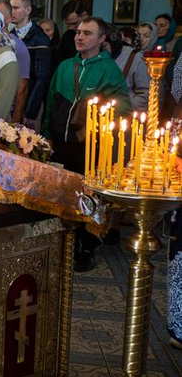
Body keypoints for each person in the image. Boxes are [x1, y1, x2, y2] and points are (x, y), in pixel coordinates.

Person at [42, 17, 130, 271]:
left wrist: (98, 112)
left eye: (88, 33)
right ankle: (66, 243)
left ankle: (88, 246)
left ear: (102, 39)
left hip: (91, 145)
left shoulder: (108, 69)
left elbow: (123, 106)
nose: (80, 37)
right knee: (63, 192)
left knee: (89, 196)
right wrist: (47, 132)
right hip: (63, 142)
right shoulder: (65, 66)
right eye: (78, 33)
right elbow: (51, 102)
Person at [10, 0, 52, 127]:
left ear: (28, 10)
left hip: (31, 98)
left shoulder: (40, 38)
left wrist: (31, 112)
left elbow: (42, 78)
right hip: (12, 97)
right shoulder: (10, 36)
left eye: (16, 8)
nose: (12, 12)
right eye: (10, 8)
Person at [0, 0, 29, 122]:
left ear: (8, 19)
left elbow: (22, 88)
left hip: (4, 113)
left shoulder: (18, 47)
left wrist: (15, 120)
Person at [55, 0, 89, 66]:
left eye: (75, 23)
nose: (70, 27)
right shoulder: (67, 36)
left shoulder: (99, 35)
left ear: (85, 15)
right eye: (68, 24)